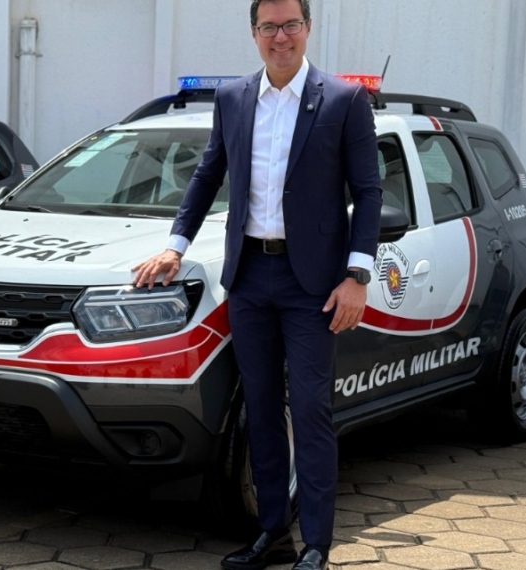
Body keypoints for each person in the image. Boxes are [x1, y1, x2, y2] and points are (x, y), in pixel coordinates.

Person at [131, 0, 382, 569]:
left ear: (308, 29)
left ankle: (316, 544)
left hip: (314, 284)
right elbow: (208, 172)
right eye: (268, 27)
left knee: (312, 410)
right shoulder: (234, 97)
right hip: (248, 276)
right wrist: (175, 244)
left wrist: (356, 275)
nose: (280, 37)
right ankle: (274, 533)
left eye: (290, 25)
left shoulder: (343, 101)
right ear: (254, 33)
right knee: (262, 410)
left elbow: (368, 192)